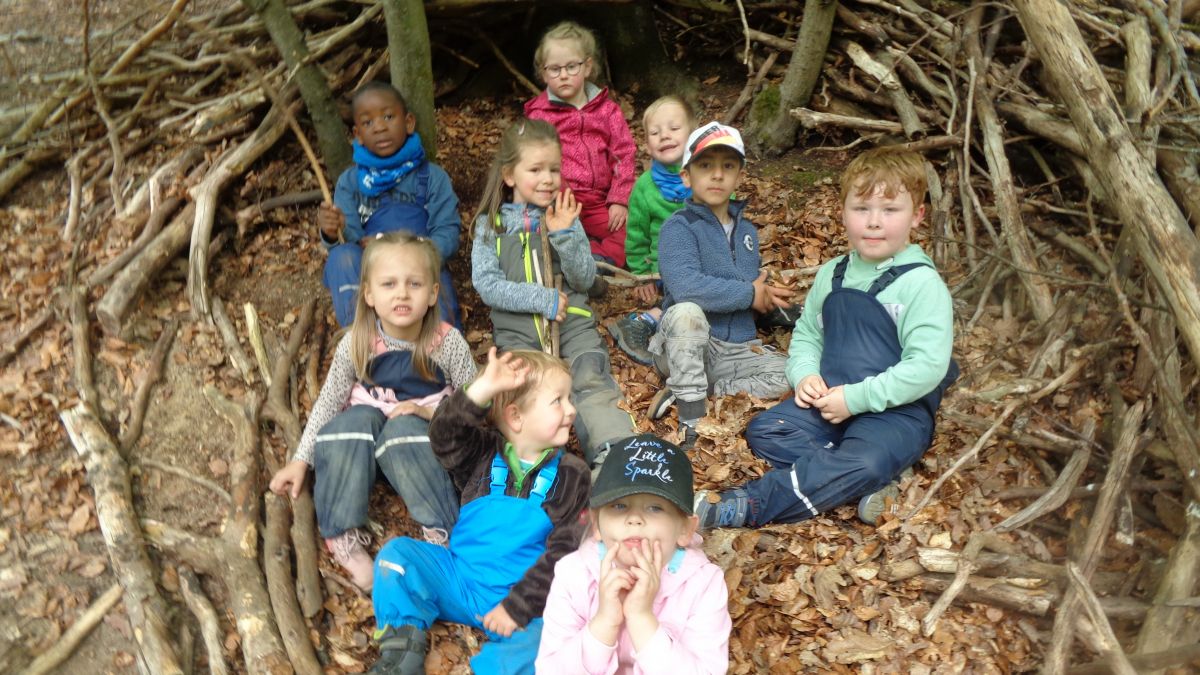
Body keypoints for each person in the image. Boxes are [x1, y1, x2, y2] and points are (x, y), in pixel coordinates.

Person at [694, 148, 958, 529]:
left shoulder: (921, 284)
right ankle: (868, 478)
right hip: (831, 400)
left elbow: (927, 367)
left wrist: (856, 399)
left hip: (895, 412)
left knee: (864, 460)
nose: (874, 222)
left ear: (917, 216)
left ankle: (750, 504)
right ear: (843, 211)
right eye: (862, 208)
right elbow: (808, 334)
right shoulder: (833, 273)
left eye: (890, 210)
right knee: (767, 431)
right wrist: (804, 375)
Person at [269, 232, 477, 591]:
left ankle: (443, 533)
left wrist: (433, 415)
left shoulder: (446, 343)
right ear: (369, 293)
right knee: (348, 423)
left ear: (432, 293)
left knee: (402, 428)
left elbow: (475, 403)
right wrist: (301, 460)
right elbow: (330, 400)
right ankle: (343, 537)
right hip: (362, 451)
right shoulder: (358, 342)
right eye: (389, 284)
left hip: (419, 447)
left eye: (414, 284)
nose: (401, 293)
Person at [369, 348, 591, 675]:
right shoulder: (482, 454)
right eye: (558, 400)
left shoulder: (573, 475)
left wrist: (516, 608)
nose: (571, 410)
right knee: (397, 557)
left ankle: (489, 668)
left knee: (554, 638)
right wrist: (482, 390)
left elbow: (564, 553)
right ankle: (401, 654)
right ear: (516, 417)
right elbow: (443, 435)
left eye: (568, 398)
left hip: (525, 603)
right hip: (460, 577)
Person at [471, 118, 634, 469]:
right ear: (510, 175)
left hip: (573, 327)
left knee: (590, 379)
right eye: (536, 169)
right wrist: (541, 300)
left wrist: (564, 235)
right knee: (529, 396)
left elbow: (584, 278)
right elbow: (487, 285)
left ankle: (615, 456)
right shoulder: (491, 226)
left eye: (555, 170)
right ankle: (537, 468)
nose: (548, 179)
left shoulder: (562, 216)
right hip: (520, 337)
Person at [649, 122, 794, 448]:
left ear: (739, 176)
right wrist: (749, 293)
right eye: (705, 166)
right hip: (686, 342)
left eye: (727, 166)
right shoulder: (678, 227)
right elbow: (686, 287)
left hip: (738, 352)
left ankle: (702, 389)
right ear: (686, 176)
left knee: (793, 375)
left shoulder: (748, 233)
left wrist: (764, 296)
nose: (717, 175)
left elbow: (749, 291)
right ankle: (691, 418)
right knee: (687, 312)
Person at [535, 434, 732, 674]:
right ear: (596, 524)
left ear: (685, 529)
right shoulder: (573, 575)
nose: (635, 519)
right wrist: (604, 622)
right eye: (619, 506)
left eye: (655, 507)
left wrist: (641, 618)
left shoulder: (703, 585)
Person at [319, 81, 463, 328]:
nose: (379, 128)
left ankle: (434, 353)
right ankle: (362, 341)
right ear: (358, 135)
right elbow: (350, 242)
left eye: (388, 116)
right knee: (341, 257)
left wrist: (407, 251)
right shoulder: (350, 183)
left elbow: (448, 235)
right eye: (368, 123)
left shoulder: (433, 178)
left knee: (442, 319)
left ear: (408, 123)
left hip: (420, 272)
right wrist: (332, 231)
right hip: (375, 278)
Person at [524, 21, 636, 269]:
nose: (563, 75)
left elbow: (623, 154)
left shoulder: (607, 110)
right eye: (554, 69)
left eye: (571, 67)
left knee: (634, 230)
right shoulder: (539, 114)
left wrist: (619, 199)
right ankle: (569, 258)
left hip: (599, 200)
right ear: (543, 74)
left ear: (587, 67)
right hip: (558, 199)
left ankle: (598, 258)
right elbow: (530, 159)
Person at [609, 96, 696, 366]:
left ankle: (763, 306)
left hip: (707, 257)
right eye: (655, 133)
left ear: (693, 134)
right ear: (647, 144)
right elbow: (637, 237)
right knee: (692, 292)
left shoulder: (707, 173)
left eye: (673, 129)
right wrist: (643, 276)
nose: (664, 136)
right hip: (666, 268)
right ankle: (644, 320)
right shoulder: (645, 188)